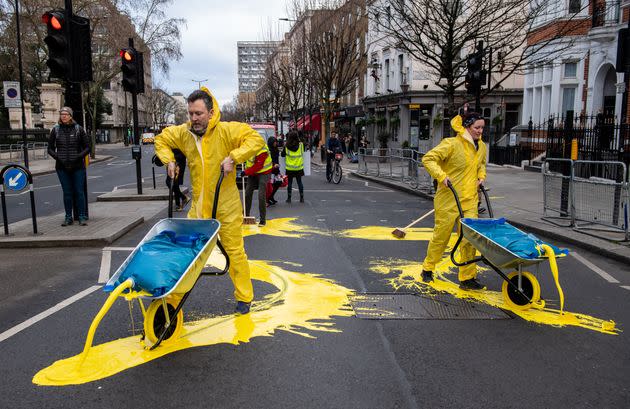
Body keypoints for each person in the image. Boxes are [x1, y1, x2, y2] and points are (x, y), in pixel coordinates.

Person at [155, 88, 264, 315]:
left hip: (226, 206)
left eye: (199, 113)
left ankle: (244, 297)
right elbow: (162, 139)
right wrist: (169, 161)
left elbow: (255, 140)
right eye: (191, 113)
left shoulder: (226, 131)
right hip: (198, 208)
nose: (194, 118)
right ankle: (173, 299)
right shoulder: (184, 133)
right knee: (186, 252)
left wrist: (233, 157)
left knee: (235, 252)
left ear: (211, 113)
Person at [420, 111, 487, 290]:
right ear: (467, 127)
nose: (480, 131)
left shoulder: (482, 147)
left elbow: (481, 165)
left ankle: (467, 278)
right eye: (477, 127)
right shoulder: (451, 144)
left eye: (482, 128)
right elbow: (428, 159)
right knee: (441, 237)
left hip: (470, 200)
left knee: (469, 240)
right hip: (449, 199)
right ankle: (428, 268)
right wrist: (441, 176)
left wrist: (481, 176)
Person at [47, 106, 90, 227]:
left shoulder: (78, 129)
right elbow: (49, 148)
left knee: (79, 191)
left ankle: (82, 216)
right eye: (62, 114)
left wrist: (78, 157)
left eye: (66, 114)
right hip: (61, 167)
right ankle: (68, 217)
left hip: (78, 166)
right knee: (67, 193)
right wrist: (57, 157)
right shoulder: (55, 130)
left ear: (71, 116)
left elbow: (87, 147)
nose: (64, 116)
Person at [243, 138, 272, 226]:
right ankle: (245, 216)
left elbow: (259, 166)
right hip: (253, 173)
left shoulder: (262, 149)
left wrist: (246, 172)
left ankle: (263, 219)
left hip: (264, 172)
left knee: (261, 195)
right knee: (247, 193)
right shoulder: (248, 146)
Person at [281, 130, 305, 203]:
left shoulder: (286, 146)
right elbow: (303, 152)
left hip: (290, 168)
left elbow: (282, 155)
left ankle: (289, 198)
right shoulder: (301, 145)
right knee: (299, 182)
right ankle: (301, 198)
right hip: (299, 167)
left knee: (290, 183)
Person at [266, 136, 281, 206]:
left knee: (278, 182)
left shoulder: (276, 149)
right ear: (271, 142)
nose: (276, 143)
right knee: (270, 185)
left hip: (276, 170)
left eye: (276, 141)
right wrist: (274, 165)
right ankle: (268, 198)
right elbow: (268, 161)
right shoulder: (268, 150)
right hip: (271, 170)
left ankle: (271, 196)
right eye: (275, 142)